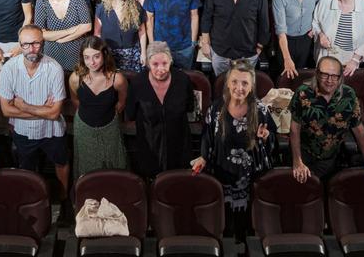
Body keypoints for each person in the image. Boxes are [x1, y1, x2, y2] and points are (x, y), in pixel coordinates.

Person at [191, 60, 277, 244]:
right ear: (228, 83)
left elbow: (272, 141)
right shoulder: (216, 109)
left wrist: (265, 137)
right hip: (221, 173)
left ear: (252, 86)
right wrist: (203, 157)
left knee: (246, 226)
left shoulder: (260, 110)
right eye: (235, 82)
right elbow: (207, 136)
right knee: (223, 221)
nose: (239, 87)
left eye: (245, 83)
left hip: (251, 176)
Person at [0, 25, 71, 200]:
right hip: (23, 130)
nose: (31, 49)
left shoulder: (54, 69)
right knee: (27, 169)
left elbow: (54, 114)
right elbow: (6, 110)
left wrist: (23, 106)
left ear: (43, 43)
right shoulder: (9, 69)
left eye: (36, 44)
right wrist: (43, 109)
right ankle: (31, 200)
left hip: (51, 130)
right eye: (26, 44)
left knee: (61, 163)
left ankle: (63, 199)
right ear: (19, 44)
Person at [290, 55, 364, 183]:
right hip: (303, 155)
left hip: (331, 159)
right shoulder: (303, 93)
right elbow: (294, 129)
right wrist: (297, 161)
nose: (329, 80)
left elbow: (358, 130)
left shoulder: (348, 95)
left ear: (340, 77)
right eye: (324, 75)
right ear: (317, 74)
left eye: (334, 76)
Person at [125, 43, 193, 178]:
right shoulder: (138, 83)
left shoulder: (183, 80)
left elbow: (190, 107)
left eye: (165, 63)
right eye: (155, 64)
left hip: (179, 145)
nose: (161, 69)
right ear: (148, 63)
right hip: (148, 147)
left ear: (171, 62)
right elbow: (130, 113)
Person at [68, 37, 129, 178]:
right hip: (83, 126)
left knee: (114, 163)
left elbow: (121, 103)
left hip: (110, 126)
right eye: (87, 57)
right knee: (86, 164)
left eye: (96, 56)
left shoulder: (117, 79)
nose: (92, 62)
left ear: (104, 55)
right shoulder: (76, 78)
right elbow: (75, 101)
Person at [200, 0, 270, 75]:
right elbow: (206, 17)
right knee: (221, 87)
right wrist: (205, 43)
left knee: (243, 90)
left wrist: (259, 47)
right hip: (220, 53)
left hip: (248, 54)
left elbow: (264, 22)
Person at [143, 0, 202, 70]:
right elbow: (149, 20)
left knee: (184, 79)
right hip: (160, 48)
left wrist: (193, 42)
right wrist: (152, 44)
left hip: (184, 47)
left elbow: (194, 16)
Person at [33, 0, 93, 70]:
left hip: (76, 52)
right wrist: (69, 31)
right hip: (52, 55)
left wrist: (65, 39)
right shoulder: (42, 1)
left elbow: (87, 26)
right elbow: (41, 33)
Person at [273, 0, 322, 79]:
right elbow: (281, 31)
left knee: (303, 78)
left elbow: (320, 14)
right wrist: (287, 58)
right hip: (285, 41)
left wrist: (315, 28)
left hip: (307, 40)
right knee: (285, 77)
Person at [95, 0, 148, 72]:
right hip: (109, 55)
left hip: (132, 55)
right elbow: (97, 34)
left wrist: (144, 53)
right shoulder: (102, 8)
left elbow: (142, 32)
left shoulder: (136, 7)